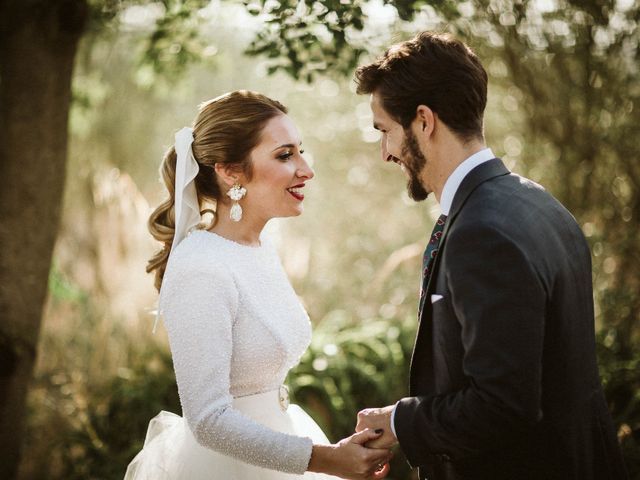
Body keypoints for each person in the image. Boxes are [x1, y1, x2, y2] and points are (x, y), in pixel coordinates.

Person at [352, 32, 629, 480]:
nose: (385, 153)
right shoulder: (540, 203)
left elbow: (503, 405)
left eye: (385, 131)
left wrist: (401, 422)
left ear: (424, 120)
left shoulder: (482, 233)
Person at [125, 90, 392, 480]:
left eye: (301, 151)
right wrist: (327, 460)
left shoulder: (262, 246)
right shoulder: (201, 265)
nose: (306, 169)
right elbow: (208, 419)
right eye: (285, 155)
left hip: (278, 451)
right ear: (231, 171)